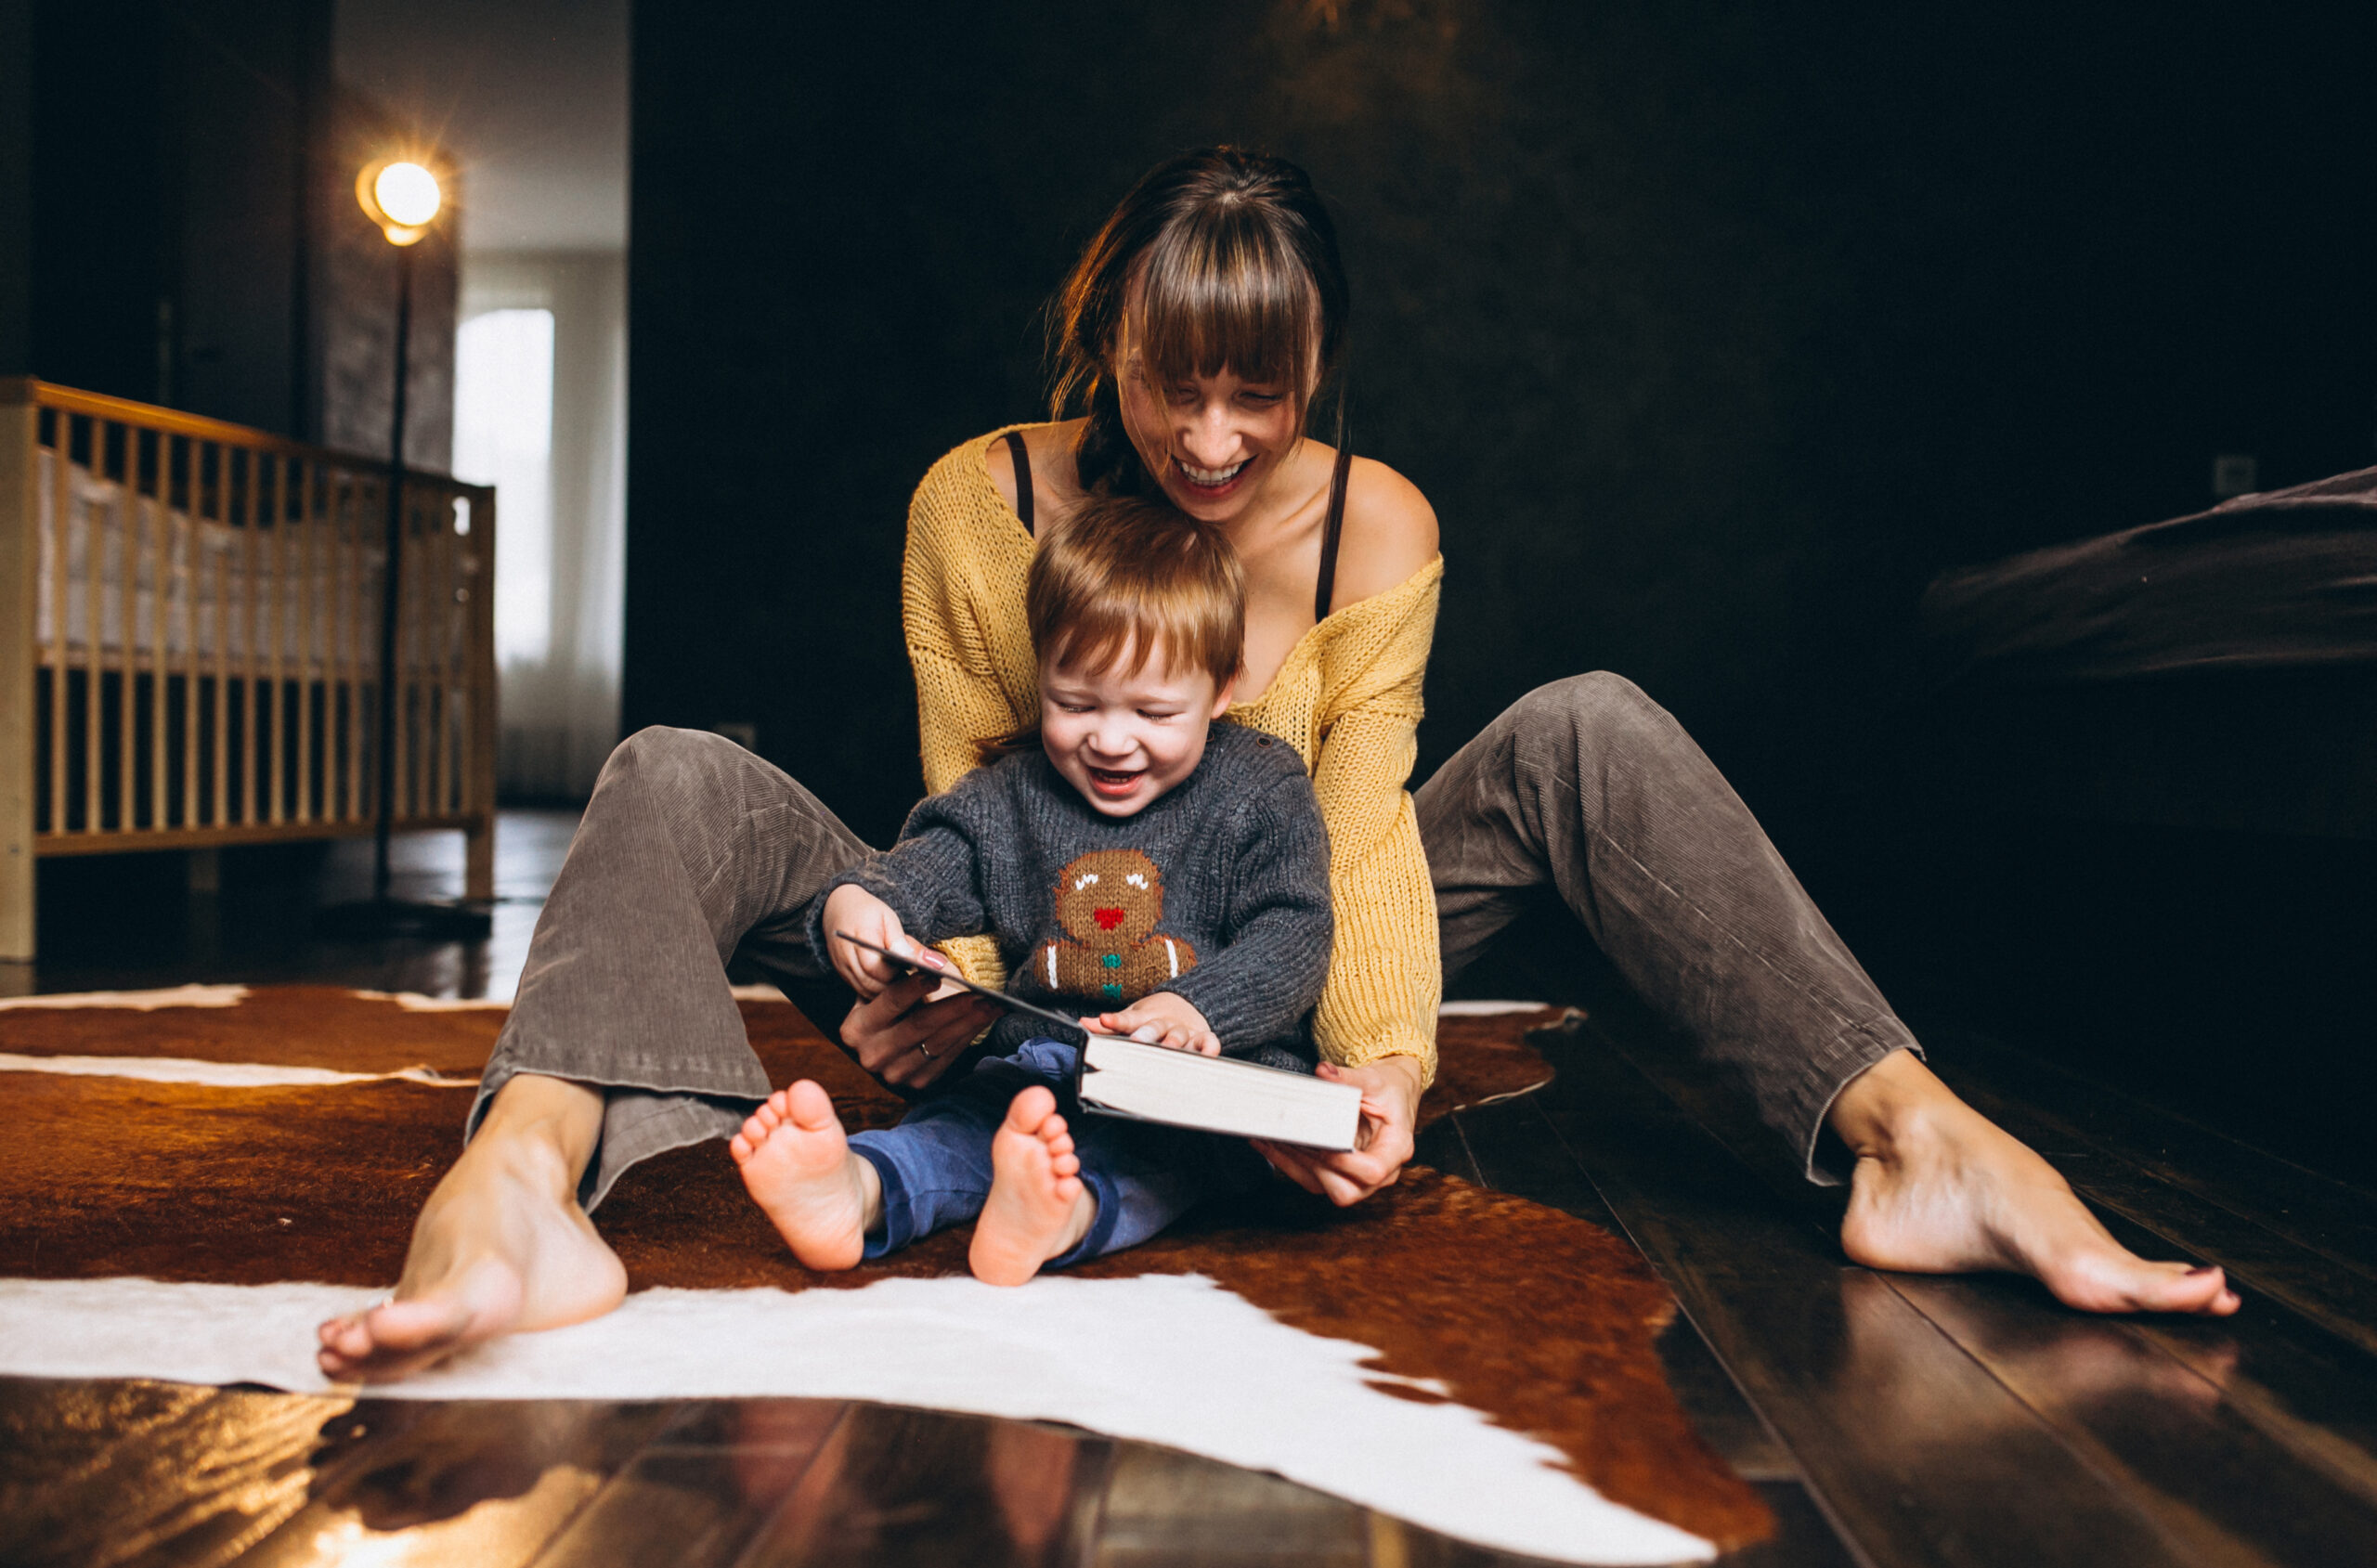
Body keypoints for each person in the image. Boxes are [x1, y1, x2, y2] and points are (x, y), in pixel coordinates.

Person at [318, 146, 2233, 1385]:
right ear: (1107, 339)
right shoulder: (974, 502)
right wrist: (919, 983)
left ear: (1313, 362)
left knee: (1591, 725)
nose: (1214, 436)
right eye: (1172, 379)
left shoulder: (1372, 527)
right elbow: (979, 807)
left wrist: (1378, 1068)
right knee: (665, 763)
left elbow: (1362, 829)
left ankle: (1919, 1143)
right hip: (1009, 934)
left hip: (1268, 935)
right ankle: (519, 1188)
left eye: (1263, 388)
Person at [730, 490, 1334, 1285]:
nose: (1111, 740)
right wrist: (864, 905)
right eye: (1074, 703)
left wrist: (1199, 1008)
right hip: (1042, 1065)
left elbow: (1294, 929)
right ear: (1041, 671)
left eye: (1154, 712)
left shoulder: (1260, 785)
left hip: (1199, 1089)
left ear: (1221, 690)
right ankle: (857, 1190)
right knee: (965, 1123)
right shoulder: (1010, 794)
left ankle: (1062, 1215)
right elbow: (929, 861)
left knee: (1163, 1156)